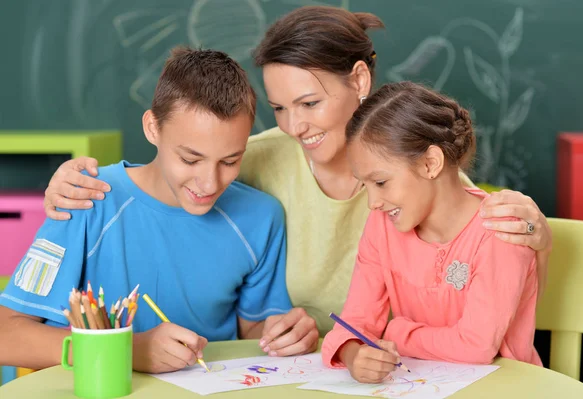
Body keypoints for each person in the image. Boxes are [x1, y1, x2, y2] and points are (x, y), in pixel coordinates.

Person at [39, 6, 552, 355]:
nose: (293, 127)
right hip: (305, 372)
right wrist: (75, 181)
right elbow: (178, 167)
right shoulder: (249, 160)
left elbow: (489, 291)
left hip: (404, 372)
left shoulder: (415, 173)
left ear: (359, 80)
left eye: (309, 103)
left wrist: (540, 241)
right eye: (280, 108)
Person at [0, 47, 317, 374]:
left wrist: (284, 336)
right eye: (190, 159)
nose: (209, 183)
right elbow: (6, 334)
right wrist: (125, 351)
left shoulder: (261, 218)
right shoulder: (85, 198)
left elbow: (253, 331)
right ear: (153, 128)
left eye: (230, 160)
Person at [321, 82, 542, 384]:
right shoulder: (382, 228)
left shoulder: (502, 229)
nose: (372, 203)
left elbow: (476, 346)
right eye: (365, 185)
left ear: (430, 163)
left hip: (505, 388)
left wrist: (396, 332)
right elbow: (354, 322)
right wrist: (354, 354)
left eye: (381, 183)